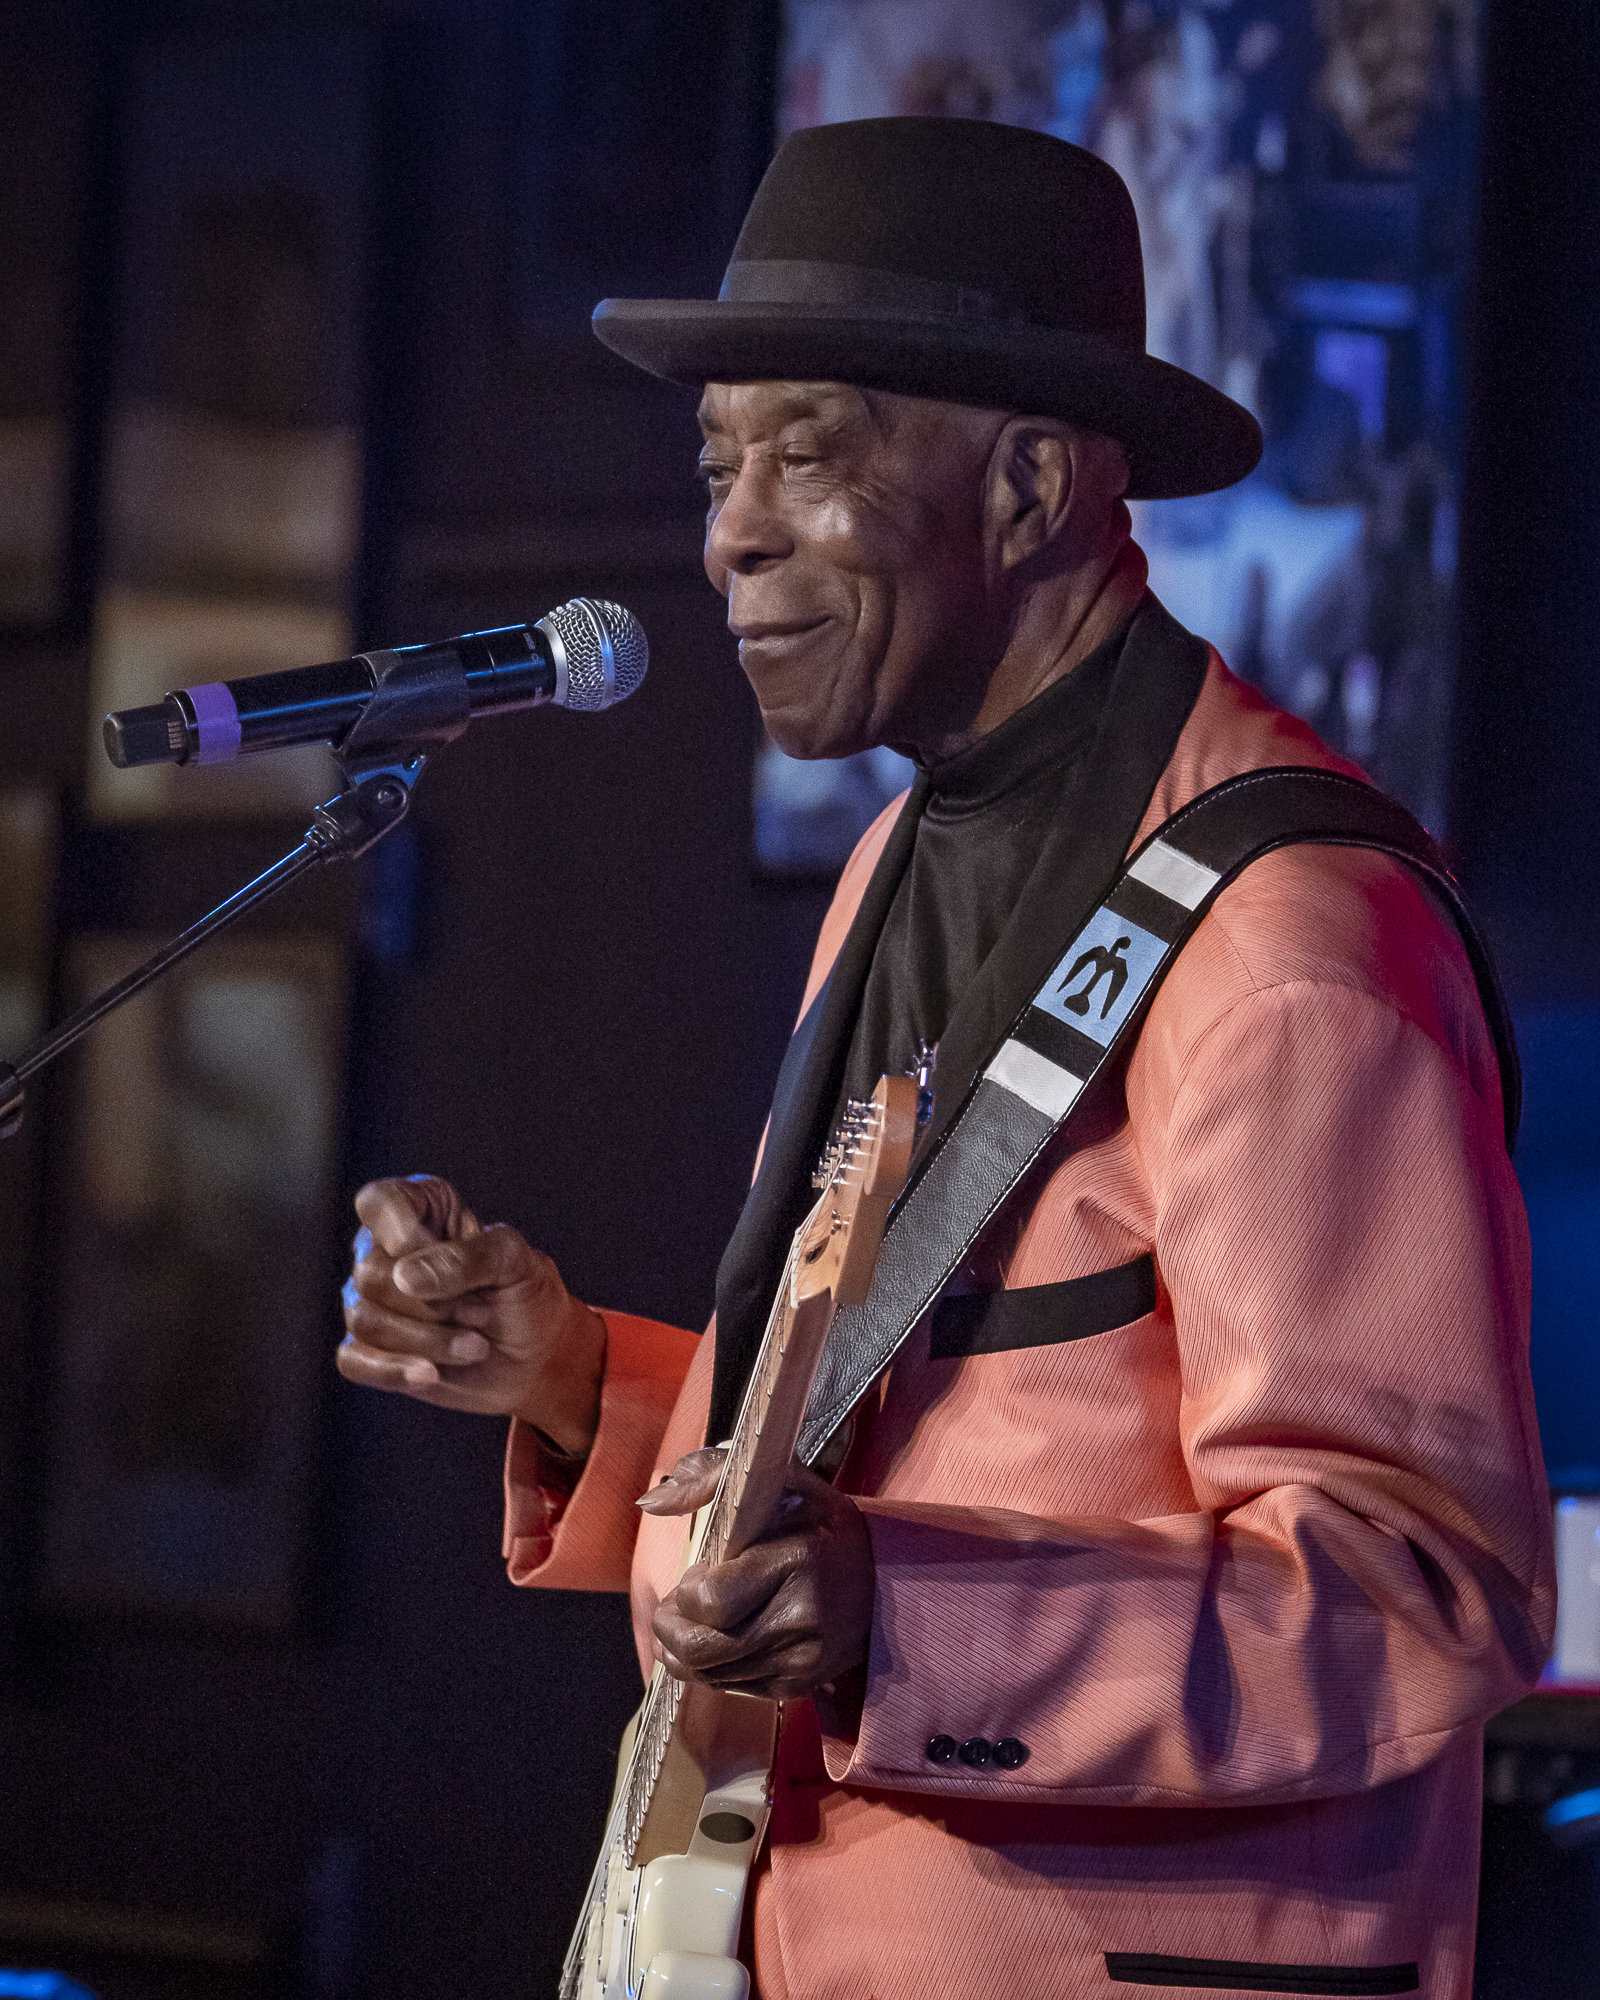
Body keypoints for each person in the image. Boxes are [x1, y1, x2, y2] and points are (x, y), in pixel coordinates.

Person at [338, 120, 1551, 1999]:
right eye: (717, 462)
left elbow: (1423, 1596)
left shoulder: (1290, 941)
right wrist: (580, 1377)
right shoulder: (904, 863)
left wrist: (903, 1617)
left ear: (1030, 485)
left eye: (804, 453)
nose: (730, 530)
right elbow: (930, 1445)